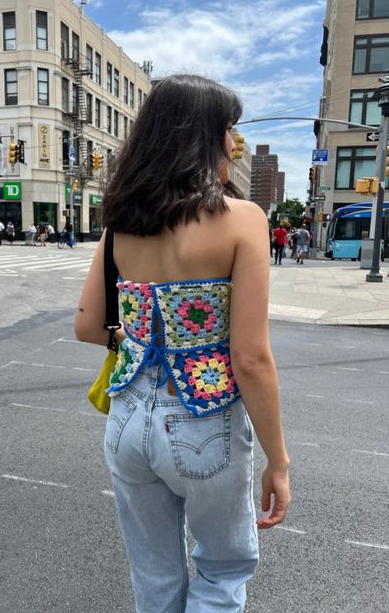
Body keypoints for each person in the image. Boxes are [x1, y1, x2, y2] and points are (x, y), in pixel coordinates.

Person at [75, 74, 290, 613]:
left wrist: (145, 334)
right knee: (221, 572)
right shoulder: (242, 220)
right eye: (229, 130)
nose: (232, 142)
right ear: (208, 136)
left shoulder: (122, 223)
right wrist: (278, 461)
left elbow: (87, 326)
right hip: (204, 422)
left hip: (125, 421)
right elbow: (250, 357)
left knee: (154, 575)